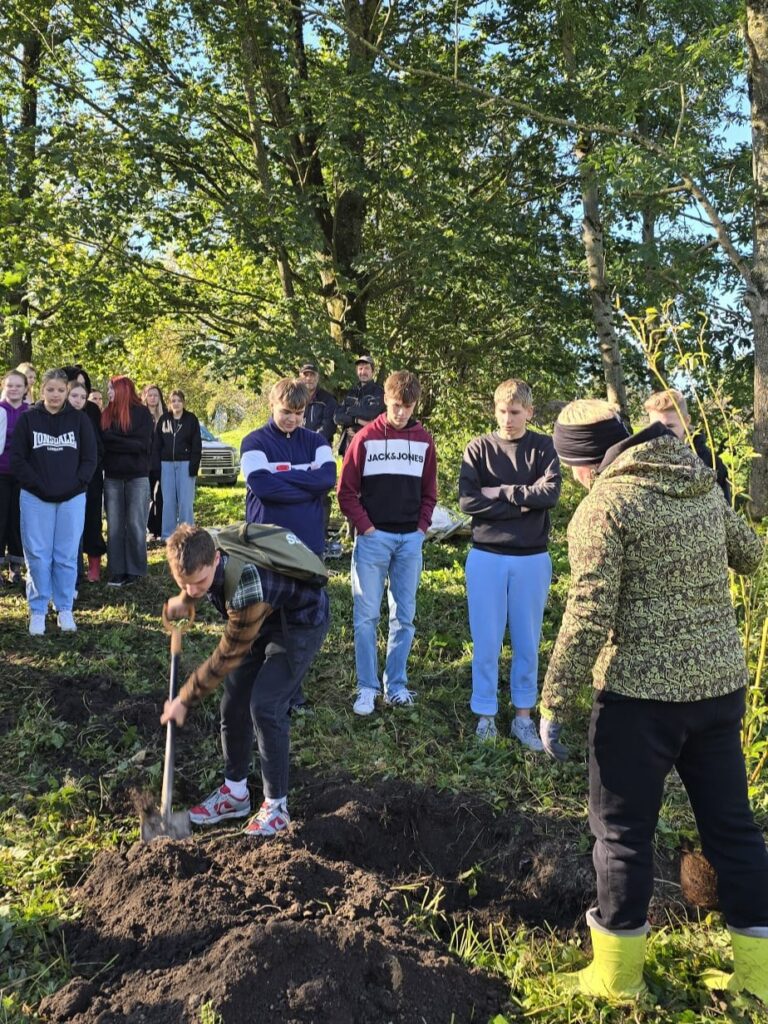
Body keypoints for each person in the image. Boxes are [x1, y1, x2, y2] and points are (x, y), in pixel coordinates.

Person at [538, 399, 768, 1002]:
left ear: (586, 462)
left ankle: (617, 981)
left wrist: (554, 699)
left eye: (573, 467)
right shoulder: (697, 481)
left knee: (621, 833)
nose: (576, 481)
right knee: (734, 831)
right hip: (719, 691)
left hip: (639, 699)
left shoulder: (603, 507)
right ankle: (758, 982)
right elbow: (749, 554)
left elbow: (588, 613)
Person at [159, 524, 329, 837]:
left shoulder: (245, 585)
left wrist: (184, 699)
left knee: (266, 705)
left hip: (299, 620)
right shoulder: (202, 545)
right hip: (263, 616)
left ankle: (277, 808)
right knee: (233, 702)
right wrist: (186, 596)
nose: (195, 590)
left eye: (200, 583)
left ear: (216, 560)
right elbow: (193, 575)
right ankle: (235, 793)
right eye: (185, 583)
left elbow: (226, 656)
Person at [458, 379, 561, 747]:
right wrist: (522, 502)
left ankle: (523, 716)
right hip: (486, 555)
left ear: (529, 412)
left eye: (515, 412)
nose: (508, 419)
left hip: (532, 557)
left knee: (527, 641)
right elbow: (468, 501)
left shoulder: (543, 447)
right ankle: (485, 714)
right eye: (502, 411)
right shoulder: (479, 448)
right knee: (485, 642)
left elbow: (549, 494)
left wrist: (502, 494)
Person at [338, 370, 437, 715]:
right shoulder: (364, 438)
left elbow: (430, 492)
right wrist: (365, 527)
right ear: (385, 399)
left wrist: (421, 528)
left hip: (410, 540)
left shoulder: (424, 440)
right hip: (373, 539)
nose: (401, 413)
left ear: (414, 405)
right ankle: (366, 687)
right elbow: (346, 492)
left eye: (407, 407)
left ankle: (396, 684)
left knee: (404, 617)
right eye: (396, 405)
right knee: (366, 616)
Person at [10, 368, 97, 634]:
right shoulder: (28, 420)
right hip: (36, 498)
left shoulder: (80, 421)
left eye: (61, 390)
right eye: (51, 390)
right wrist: (38, 485)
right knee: (37, 555)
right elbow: (18, 459)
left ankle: (64, 608)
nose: (56, 395)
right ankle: (37, 609)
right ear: (41, 390)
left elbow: (90, 459)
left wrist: (76, 484)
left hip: (71, 499)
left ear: (67, 392)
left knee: (67, 556)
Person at [240, 378, 337, 558]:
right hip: (266, 545)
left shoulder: (317, 441)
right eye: (285, 412)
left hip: (309, 545)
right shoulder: (254, 442)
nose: (292, 419)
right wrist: (310, 491)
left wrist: (279, 477)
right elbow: (263, 487)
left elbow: (328, 479)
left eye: (299, 413)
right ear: (272, 405)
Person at [101, 376, 154, 586]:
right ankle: (116, 570)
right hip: (113, 477)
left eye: (111, 389)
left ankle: (135, 570)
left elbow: (142, 445)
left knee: (135, 524)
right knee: (114, 525)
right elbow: (104, 442)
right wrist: (126, 442)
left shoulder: (142, 414)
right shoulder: (106, 415)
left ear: (122, 390)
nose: (109, 393)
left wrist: (116, 441)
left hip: (137, 477)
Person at [644, 388, 732, 502]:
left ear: (686, 421)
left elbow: (726, 509)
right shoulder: (644, 461)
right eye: (656, 427)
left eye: (670, 426)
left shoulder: (711, 463)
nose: (663, 433)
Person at [64, 366, 106, 583]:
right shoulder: (59, 410)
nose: (80, 394)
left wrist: (89, 470)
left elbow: (99, 445)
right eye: (75, 385)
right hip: (66, 478)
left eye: (84, 386)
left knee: (92, 519)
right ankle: (72, 566)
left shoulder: (92, 410)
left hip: (91, 476)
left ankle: (94, 564)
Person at [299, 361, 341, 558]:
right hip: (295, 454)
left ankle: (320, 539)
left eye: (312, 375)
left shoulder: (328, 400)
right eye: (305, 374)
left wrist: (308, 442)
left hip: (319, 453)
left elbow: (328, 428)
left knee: (321, 496)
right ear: (300, 375)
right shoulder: (294, 395)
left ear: (318, 377)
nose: (309, 378)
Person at [152, 389, 202, 539]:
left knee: (185, 502)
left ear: (183, 402)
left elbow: (197, 444)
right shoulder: (164, 420)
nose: (176, 403)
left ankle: (188, 534)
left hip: (185, 464)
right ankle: (168, 535)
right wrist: (157, 466)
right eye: (173, 401)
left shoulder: (191, 419)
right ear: (169, 403)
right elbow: (157, 445)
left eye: (179, 400)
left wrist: (194, 465)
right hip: (166, 464)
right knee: (168, 502)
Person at [0, 369, 28, 585]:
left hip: (22, 475)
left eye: (18, 385)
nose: (14, 389)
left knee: (18, 520)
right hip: (1, 472)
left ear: (26, 388)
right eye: (10, 385)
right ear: (3, 387)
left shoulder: (32, 413)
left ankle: (16, 566)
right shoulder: (0, 410)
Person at [333, 355, 385, 457]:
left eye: (366, 368)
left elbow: (370, 413)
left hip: (369, 444)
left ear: (373, 371)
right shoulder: (351, 392)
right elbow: (337, 417)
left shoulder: (379, 392)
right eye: (360, 369)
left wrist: (349, 411)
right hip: (349, 445)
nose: (363, 372)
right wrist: (357, 420)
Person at [142, 384, 166, 541]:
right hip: (144, 463)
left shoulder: (165, 417)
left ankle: (158, 529)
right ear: (145, 397)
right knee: (145, 497)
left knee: (161, 497)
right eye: (150, 395)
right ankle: (146, 528)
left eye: (155, 395)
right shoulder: (141, 415)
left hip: (162, 463)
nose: (153, 398)